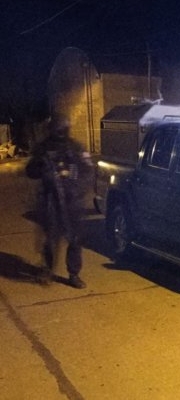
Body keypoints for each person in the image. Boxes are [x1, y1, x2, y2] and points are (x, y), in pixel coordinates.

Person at [26, 114, 93, 289]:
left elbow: (87, 171)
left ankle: (73, 274)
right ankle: (47, 269)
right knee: (50, 239)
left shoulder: (75, 147)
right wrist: (40, 166)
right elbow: (31, 171)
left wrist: (75, 189)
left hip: (72, 202)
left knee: (75, 239)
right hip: (51, 201)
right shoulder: (43, 148)